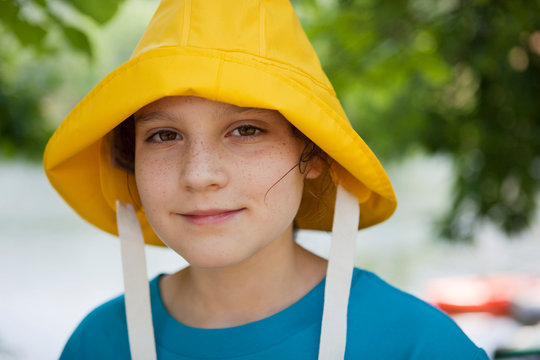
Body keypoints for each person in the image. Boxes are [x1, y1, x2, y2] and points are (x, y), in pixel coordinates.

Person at [44, 0, 489, 359]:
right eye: (164, 135)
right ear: (131, 162)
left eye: (246, 130)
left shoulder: (417, 345)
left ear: (313, 153)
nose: (199, 175)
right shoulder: (97, 344)